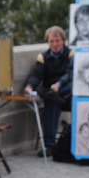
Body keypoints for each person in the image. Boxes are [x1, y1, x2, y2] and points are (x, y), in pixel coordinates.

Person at [23, 26, 74, 157]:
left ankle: (71, 143)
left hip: (67, 92)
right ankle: (49, 145)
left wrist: (58, 84)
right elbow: (37, 75)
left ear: (63, 41)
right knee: (51, 102)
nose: (55, 44)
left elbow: (70, 74)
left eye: (57, 41)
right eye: (51, 41)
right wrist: (29, 86)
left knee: (57, 95)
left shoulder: (70, 54)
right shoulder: (43, 57)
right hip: (53, 93)